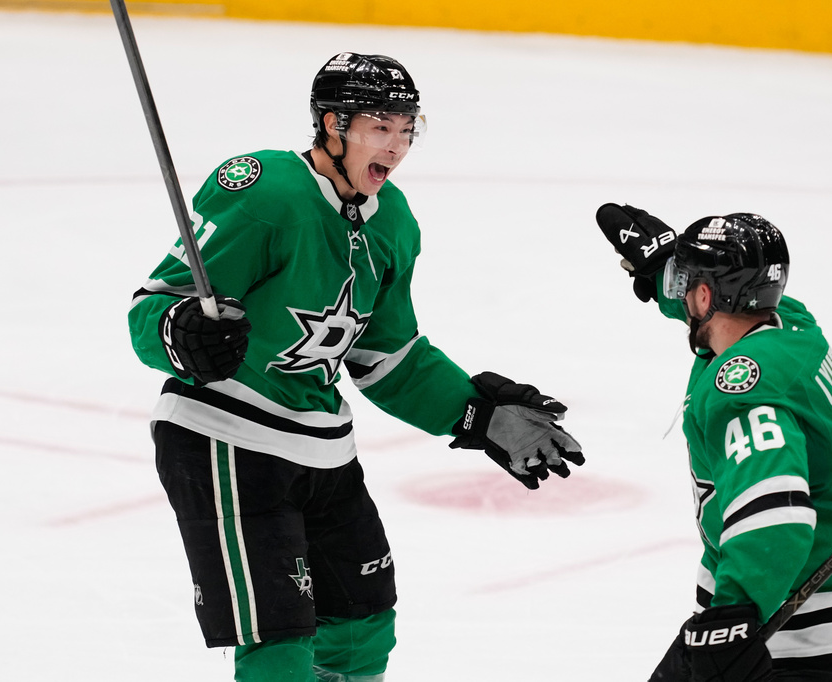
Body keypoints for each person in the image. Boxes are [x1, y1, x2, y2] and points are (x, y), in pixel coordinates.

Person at [127, 52, 584, 682]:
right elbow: (155, 306)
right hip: (223, 438)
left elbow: (387, 357)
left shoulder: (393, 221)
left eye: (407, 128)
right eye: (380, 127)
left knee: (363, 629)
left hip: (323, 452)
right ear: (332, 124)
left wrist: (475, 412)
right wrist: (180, 333)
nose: (396, 147)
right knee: (279, 643)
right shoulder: (264, 188)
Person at [596, 205, 832, 681]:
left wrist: (732, 617)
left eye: (685, 283)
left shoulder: (745, 385)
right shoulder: (788, 324)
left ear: (705, 294)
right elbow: (722, 304)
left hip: (817, 617)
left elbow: (774, 512)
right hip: (784, 601)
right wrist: (665, 265)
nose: (679, 293)